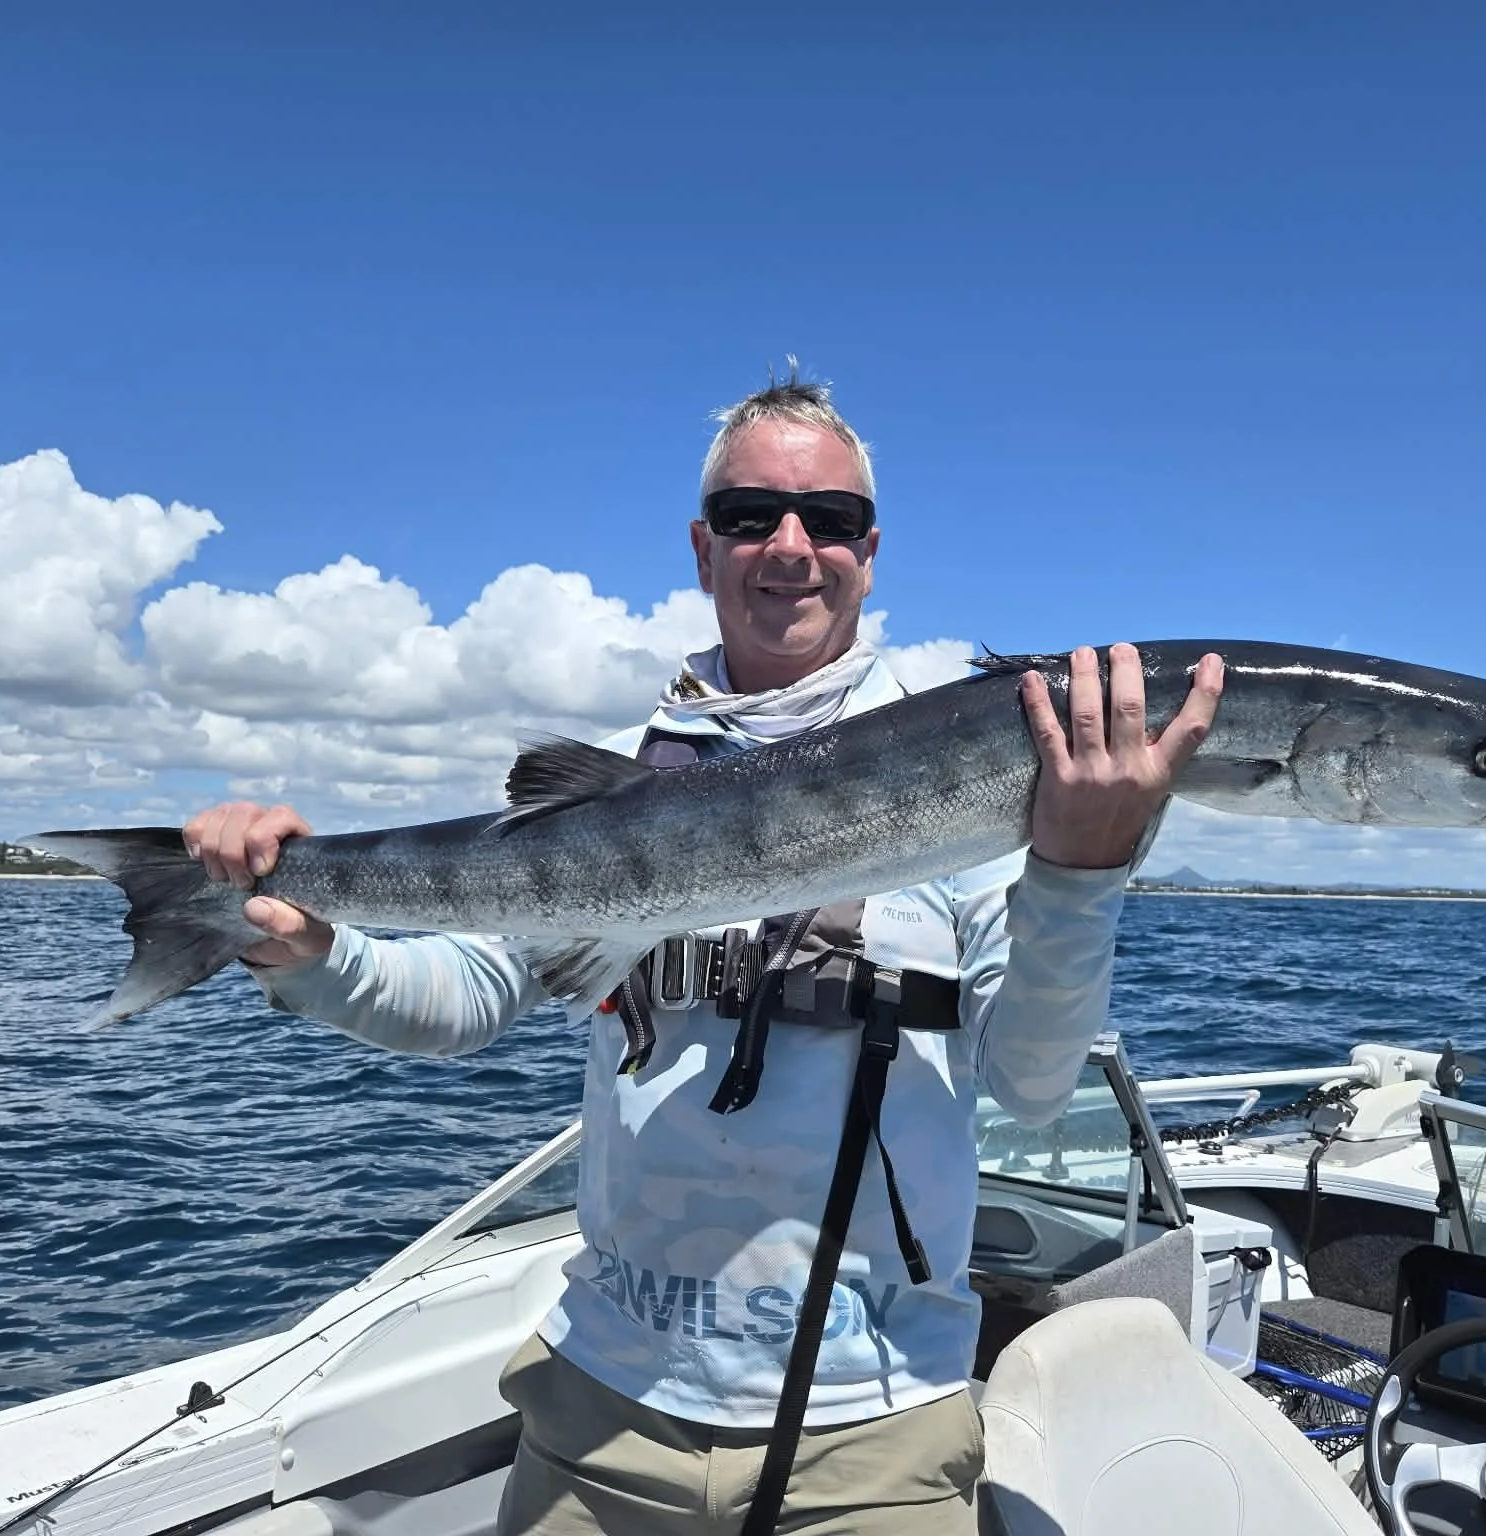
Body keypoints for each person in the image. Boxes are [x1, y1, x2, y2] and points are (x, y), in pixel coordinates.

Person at [183, 370, 1224, 1535]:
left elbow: (1031, 1090)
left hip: (873, 1428)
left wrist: (1078, 873)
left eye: (826, 520)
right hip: (600, 1406)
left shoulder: (987, 778)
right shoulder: (635, 786)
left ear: (867, 552)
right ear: (702, 546)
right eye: (750, 516)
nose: (790, 546)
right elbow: (462, 998)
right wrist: (305, 946)